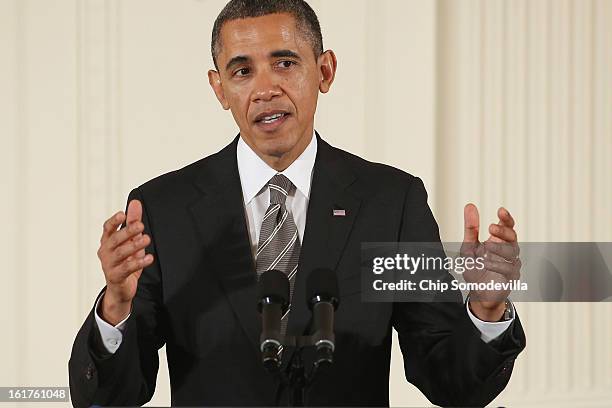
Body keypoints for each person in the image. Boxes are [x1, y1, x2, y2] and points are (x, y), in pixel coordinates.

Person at [69, 0, 525, 406]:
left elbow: (452, 384)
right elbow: (110, 398)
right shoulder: (163, 208)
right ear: (219, 87)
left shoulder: (391, 202)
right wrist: (116, 306)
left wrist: (485, 312)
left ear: (324, 71)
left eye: (284, 63)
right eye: (242, 70)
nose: (265, 88)